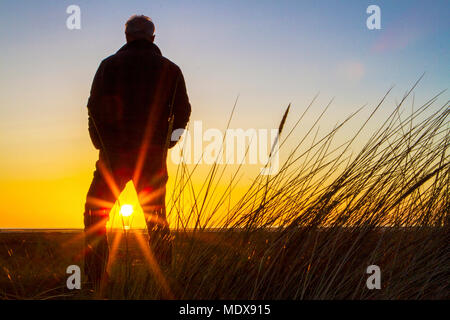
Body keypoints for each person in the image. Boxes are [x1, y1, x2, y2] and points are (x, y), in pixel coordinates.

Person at [84, 15, 191, 287]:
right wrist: (168, 143)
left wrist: (101, 144)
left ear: (127, 37)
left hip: (114, 156)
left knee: (96, 213)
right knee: (157, 219)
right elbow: (183, 112)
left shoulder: (109, 65)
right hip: (151, 157)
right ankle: (164, 279)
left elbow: (93, 107)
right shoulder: (170, 69)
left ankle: (96, 281)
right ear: (153, 38)